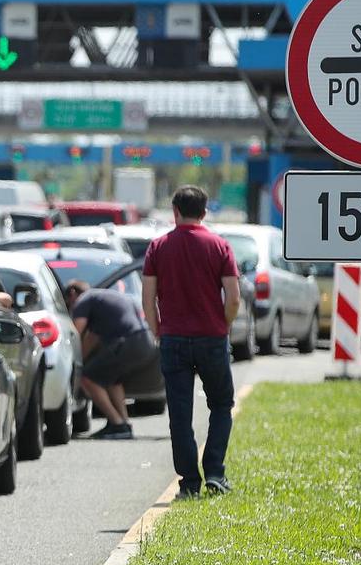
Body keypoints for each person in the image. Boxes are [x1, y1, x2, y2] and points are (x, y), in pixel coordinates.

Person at [141, 185, 241, 498]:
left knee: (179, 414)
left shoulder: (158, 247)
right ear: (205, 211)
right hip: (211, 337)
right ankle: (214, 471)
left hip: (173, 338)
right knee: (221, 404)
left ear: (175, 212)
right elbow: (234, 297)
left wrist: (158, 329)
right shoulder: (220, 246)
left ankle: (189, 482)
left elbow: (148, 298)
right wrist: (221, 325)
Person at [72, 282, 159, 440]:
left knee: (87, 378)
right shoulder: (108, 297)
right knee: (113, 380)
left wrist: (75, 363)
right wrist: (83, 359)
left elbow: (76, 333)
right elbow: (93, 338)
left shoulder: (85, 299)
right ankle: (123, 424)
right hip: (145, 339)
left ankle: (116, 423)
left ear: (72, 293)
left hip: (128, 341)